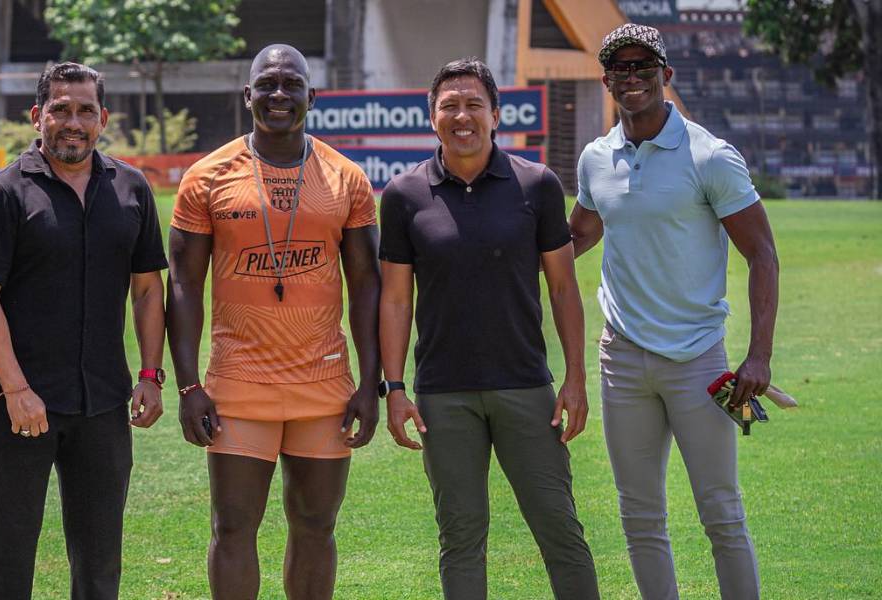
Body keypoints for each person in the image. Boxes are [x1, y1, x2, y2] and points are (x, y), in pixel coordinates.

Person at [378, 57, 600, 600]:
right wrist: (395, 388)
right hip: (443, 395)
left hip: (526, 386)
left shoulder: (537, 184)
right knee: (461, 538)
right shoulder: (404, 195)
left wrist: (575, 378)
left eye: (474, 104)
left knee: (559, 530)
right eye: (449, 106)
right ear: (432, 117)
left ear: (496, 115)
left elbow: (564, 289)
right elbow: (395, 298)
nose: (462, 116)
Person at [570, 24, 779, 600]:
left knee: (721, 513)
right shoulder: (596, 157)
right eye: (619, 69)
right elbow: (578, 235)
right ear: (607, 79)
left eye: (644, 67)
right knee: (639, 516)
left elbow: (762, 253)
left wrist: (759, 355)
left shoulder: (710, 157)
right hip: (622, 360)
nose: (631, 78)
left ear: (667, 76)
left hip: (698, 361)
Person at [167, 44, 380, 600]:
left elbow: (366, 284)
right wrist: (190, 385)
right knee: (233, 528)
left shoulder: (347, 178)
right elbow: (184, 284)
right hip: (238, 385)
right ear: (248, 96)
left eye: (291, 84)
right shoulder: (206, 177)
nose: (278, 94)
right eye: (266, 84)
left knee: (316, 528)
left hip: (324, 384)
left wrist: (370, 383)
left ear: (313, 96)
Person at [0, 62, 167, 600]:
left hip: (102, 402)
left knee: (100, 563)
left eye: (84, 111)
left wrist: (150, 374)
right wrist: (16, 390)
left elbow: (147, 289)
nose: (71, 122)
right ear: (37, 116)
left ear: (103, 119)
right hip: (19, 407)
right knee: (7, 559)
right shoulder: (3, 194)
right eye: (59, 109)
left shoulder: (131, 188)